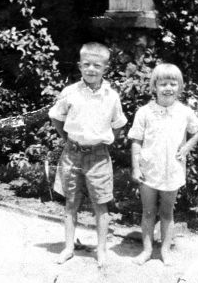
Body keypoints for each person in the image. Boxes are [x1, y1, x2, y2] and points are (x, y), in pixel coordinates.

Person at [49, 42, 127, 267]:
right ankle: (68, 247)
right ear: (79, 66)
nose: (91, 69)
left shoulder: (111, 96)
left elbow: (118, 124)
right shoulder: (70, 92)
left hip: (99, 156)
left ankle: (101, 250)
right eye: (87, 65)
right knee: (70, 202)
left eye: (97, 65)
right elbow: (56, 116)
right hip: (71, 154)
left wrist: (102, 142)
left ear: (105, 68)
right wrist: (66, 139)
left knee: (101, 204)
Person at [128, 63, 198, 266]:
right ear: (154, 86)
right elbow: (136, 140)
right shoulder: (144, 112)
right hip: (148, 170)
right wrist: (135, 167)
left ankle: (165, 251)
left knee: (167, 213)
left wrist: (187, 147)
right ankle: (147, 250)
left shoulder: (184, 112)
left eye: (173, 83)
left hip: (173, 170)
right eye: (163, 84)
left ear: (179, 87)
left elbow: (197, 129)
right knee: (148, 211)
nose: (168, 88)